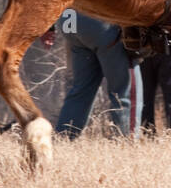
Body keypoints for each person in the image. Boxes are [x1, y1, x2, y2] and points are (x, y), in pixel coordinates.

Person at [54, 10, 139, 138]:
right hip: (101, 22)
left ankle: (64, 138)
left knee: (81, 90)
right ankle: (127, 141)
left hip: (69, 20)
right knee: (125, 91)